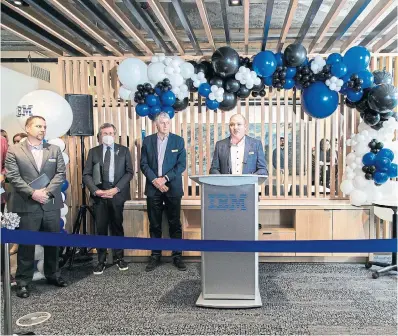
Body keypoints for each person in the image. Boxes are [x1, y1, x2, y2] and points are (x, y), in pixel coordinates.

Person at [5, 116, 67, 298]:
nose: (42, 129)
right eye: (38, 126)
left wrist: (46, 192)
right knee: (26, 245)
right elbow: (13, 177)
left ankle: (53, 275)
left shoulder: (54, 150)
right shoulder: (14, 150)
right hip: (27, 204)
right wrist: (33, 193)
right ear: (27, 128)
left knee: (53, 243)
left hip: (50, 204)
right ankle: (23, 282)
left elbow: (60, 174)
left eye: (45, 126)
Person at [83, 123, 134, 275]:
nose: (108, 135)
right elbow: (87, 174)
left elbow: (129, 172)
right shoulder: (93, 152)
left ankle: (119, 258)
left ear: (114, 135)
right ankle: (101, 260)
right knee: (101, 228)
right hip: (99, 196)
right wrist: (96, 191)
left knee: (117, 227)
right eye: (105, 133)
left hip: (117, 194)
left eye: (110, 133)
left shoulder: (123, 151)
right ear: (100, 136)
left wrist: (116, 189)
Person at [140, 112, 187, 272]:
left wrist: (164, 179)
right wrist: (156, 181)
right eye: (162, 122)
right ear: (156, 125)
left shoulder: (178, 141)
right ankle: (155, 255)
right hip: (153, 189)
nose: (166, 125)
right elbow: (144, 164)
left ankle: (177, 256)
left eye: (168, 122)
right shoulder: (147, 141)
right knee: (155, 224)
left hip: (172, 188)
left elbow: (181, 166)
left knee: (175, 223)